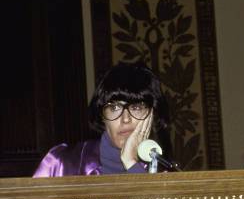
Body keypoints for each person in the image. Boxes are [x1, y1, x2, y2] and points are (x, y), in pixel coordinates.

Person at [33, 62, 169, 177]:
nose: (125, 119)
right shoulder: (59, 163)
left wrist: (131, 164)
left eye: (136, 107)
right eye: (115, 107)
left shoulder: (163, 174)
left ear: (152, 113)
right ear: (102, 116)